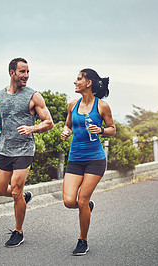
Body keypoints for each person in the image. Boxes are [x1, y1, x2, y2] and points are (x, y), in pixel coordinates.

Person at [0, 57, 54, 247]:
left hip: (24, 150)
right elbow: (0, 123)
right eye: (22, 72)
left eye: (28, 72)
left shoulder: (34, 96)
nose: (26, 76)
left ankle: (18, 231)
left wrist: (32, 129)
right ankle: (24, 197)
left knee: (16, 190)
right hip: (3, 148)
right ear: (12, 73)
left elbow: (48, 122)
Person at [61, 68, 116, 255]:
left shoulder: (102, 106)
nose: (75, 82)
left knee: (82, 199)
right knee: (69, 201)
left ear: (88, 83)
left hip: (95, 159)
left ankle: (82, 240)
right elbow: (68, 125)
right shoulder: (72, 105)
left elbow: (112, 129)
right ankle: (87, 207)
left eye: (78, 79)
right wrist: (66, 131)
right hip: (75, 158)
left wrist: (100, 131)